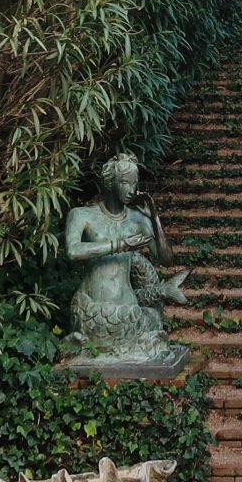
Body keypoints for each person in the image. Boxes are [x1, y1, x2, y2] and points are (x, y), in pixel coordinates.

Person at [63, 152, 186, 360]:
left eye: (135, 183)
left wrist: (155, 218)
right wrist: (120, 245)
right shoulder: (82, 215)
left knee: (152, 319)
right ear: (110, 183)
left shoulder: (137, 219)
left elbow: (165, 259)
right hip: (91, 309)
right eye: (125, 183)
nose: (132, 190)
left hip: (129, 311)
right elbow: (73, 250)